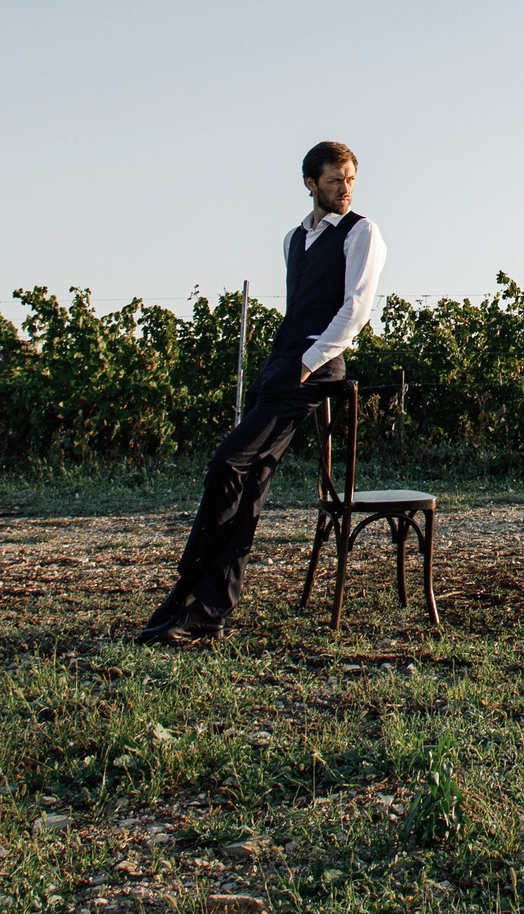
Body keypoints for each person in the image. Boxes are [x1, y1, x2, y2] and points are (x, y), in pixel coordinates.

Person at [137, 140, 387, 647]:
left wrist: (307, 363)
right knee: (248, 481)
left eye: (351, 180)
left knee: (228, 462)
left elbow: (356, 309)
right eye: (336, 180)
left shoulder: (363, 231)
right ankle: (206, 604)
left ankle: (189, 588)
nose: (345, 189)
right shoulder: (293, 239)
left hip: (314, 366)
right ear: (310, 183)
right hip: (282, 363)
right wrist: (284, 363)